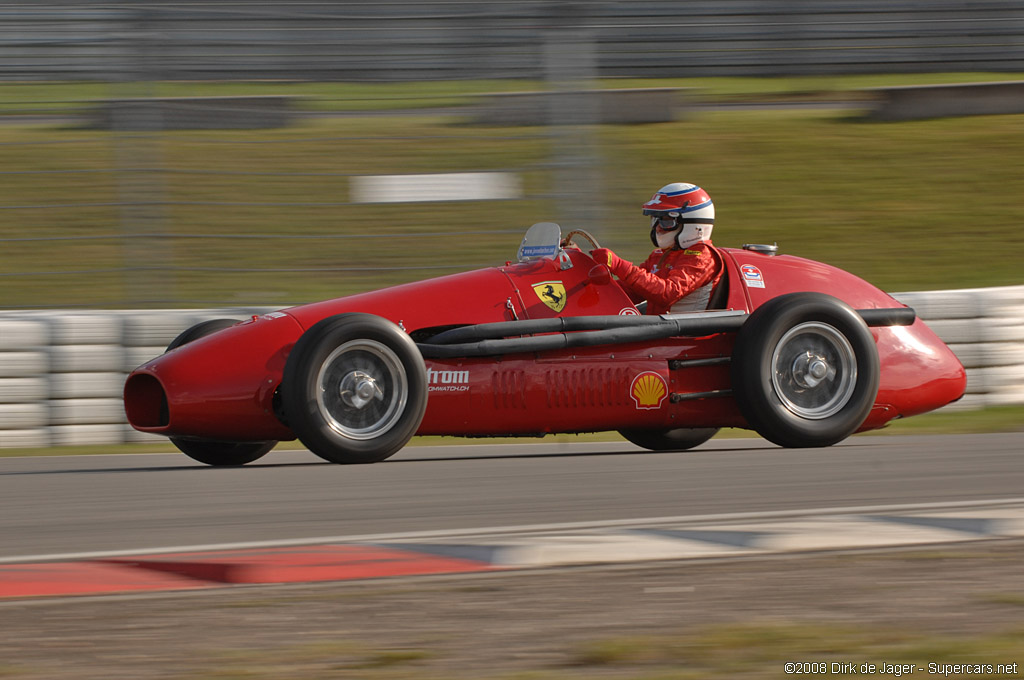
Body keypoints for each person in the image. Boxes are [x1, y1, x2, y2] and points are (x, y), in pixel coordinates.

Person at [591, 182, 724, 315]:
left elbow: (667, 293)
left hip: (679, 333)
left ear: (693, 224)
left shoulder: (702, 257)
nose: (657, 227)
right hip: (657, 328)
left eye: (666, 221)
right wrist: (588, 282)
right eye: (655, 220)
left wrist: (619, 265)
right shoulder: (661, 255)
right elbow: (633, 291)